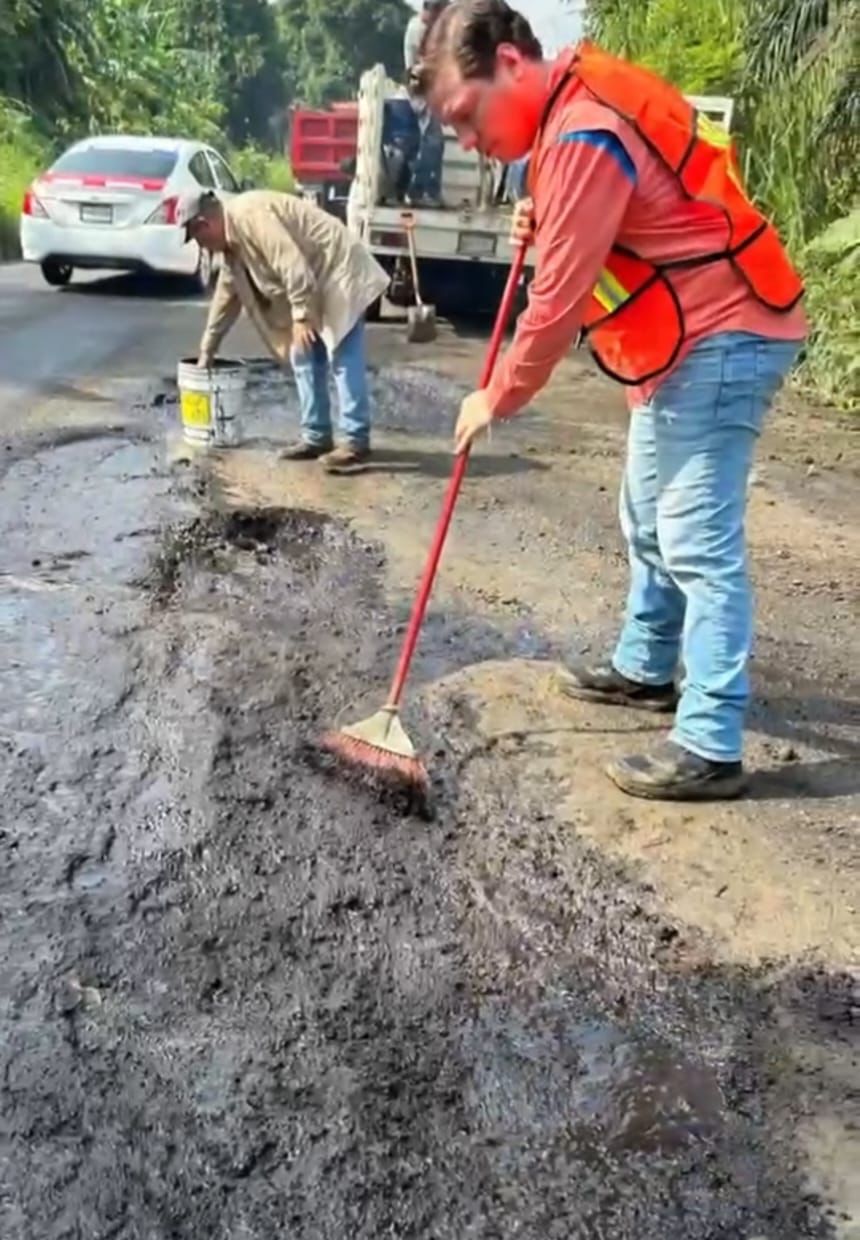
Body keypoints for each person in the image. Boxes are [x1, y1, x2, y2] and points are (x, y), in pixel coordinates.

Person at [418, 0, 807, 801]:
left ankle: (709, 741)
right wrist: (546, 212)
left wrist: (499, 392)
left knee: (696, 538)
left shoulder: (584, 132)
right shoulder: (570, 122)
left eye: (465, 114)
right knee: (645, 516)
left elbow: (556, 301)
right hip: (677, 343)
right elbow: (610, 225)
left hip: (722, 331)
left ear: (513, 67)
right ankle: (646, 664)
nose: (466, 140)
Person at [181, 189, 389, 475]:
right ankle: (317, 437)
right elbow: (226, 298)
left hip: (337, 269)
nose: (202, 247)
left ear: (205, 224)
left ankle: (355, 441)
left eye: (198, 238)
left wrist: (301, 315)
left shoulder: (250, 216)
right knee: (302, 353)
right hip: (313, 278)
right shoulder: (232, 248)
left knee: (342, 350)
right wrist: (208, 348)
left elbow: (292, 263)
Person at [404, 0, 448, 205]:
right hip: (420, 91)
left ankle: (432, 191)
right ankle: (417, 189)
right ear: (430, 10)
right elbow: (427, 64)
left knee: (436, 143)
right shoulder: (419, 30)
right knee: (433, 140)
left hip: (428, 90)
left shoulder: (427, 29)